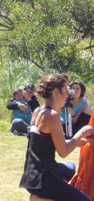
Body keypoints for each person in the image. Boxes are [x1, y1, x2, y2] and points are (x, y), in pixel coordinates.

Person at [19, 73, 94, 201]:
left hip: (31, 176)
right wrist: (80, 133)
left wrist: (79, 142)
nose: (68, 95)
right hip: (44, 181)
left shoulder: (38, 111)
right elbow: (63, 151)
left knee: (69, 167)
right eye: (66, 91)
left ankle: (40, 196)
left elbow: (48, 142)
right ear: (56, 92)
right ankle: (42, 196)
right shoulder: (52, 116)